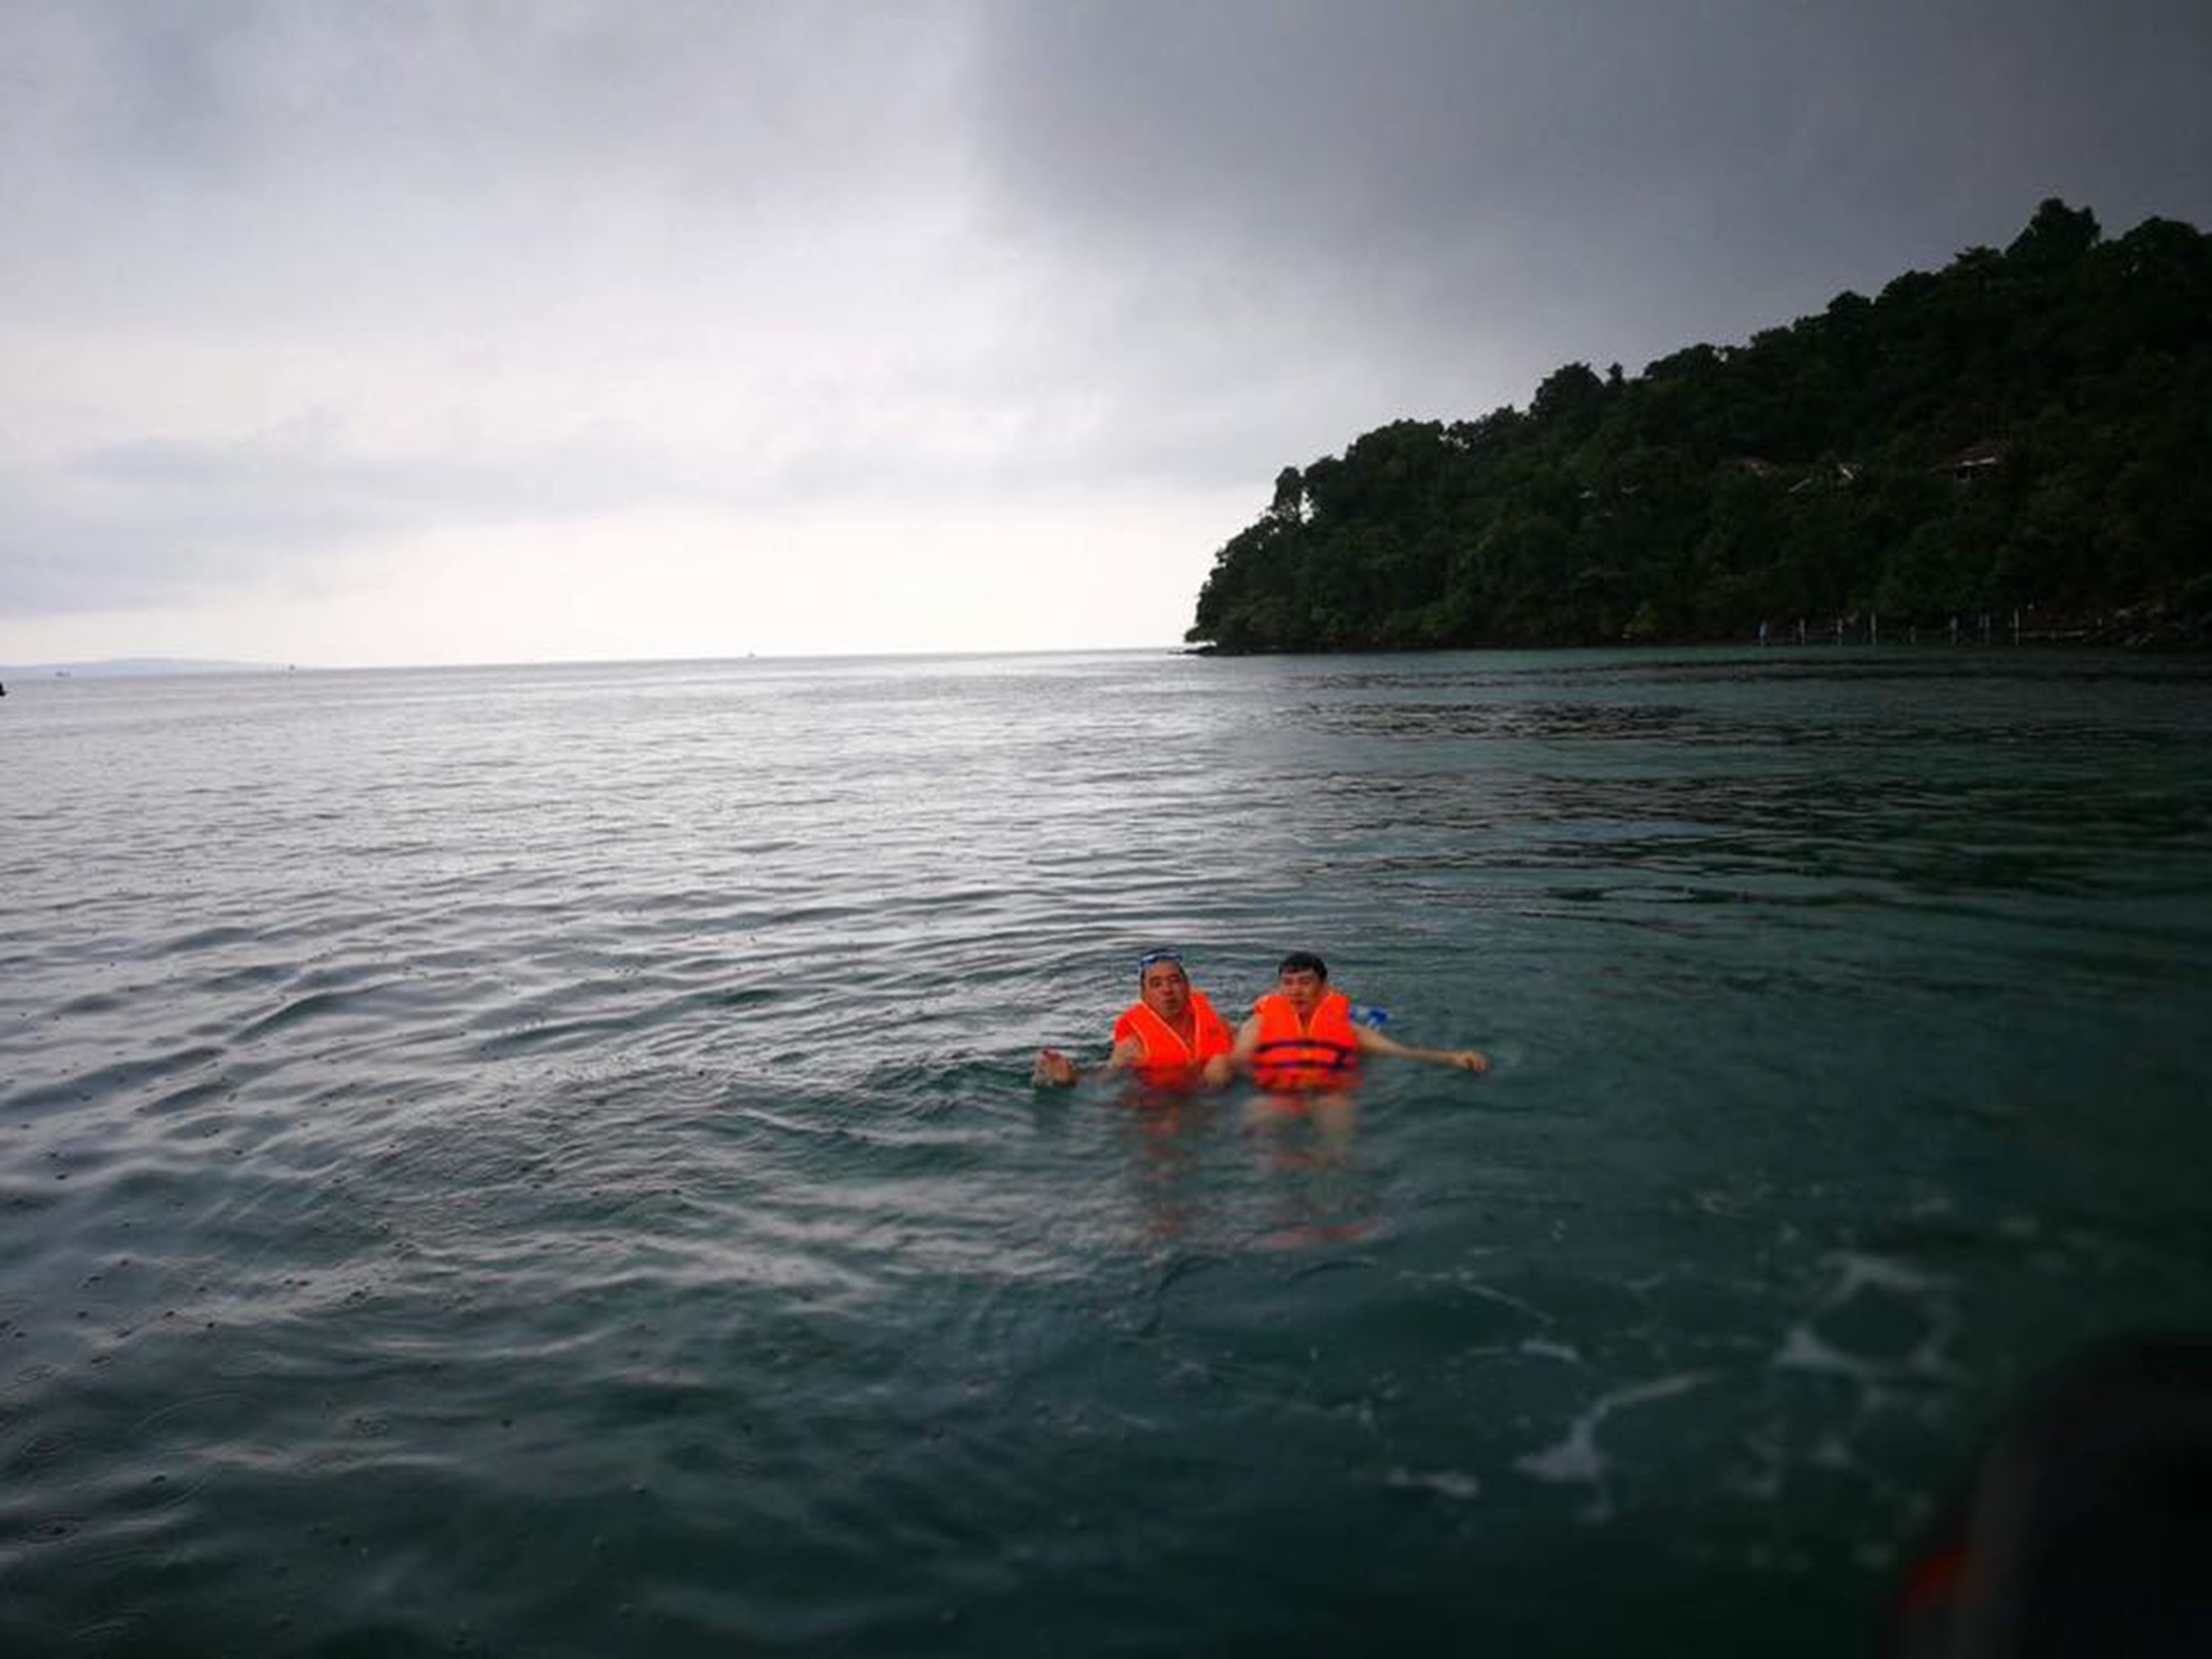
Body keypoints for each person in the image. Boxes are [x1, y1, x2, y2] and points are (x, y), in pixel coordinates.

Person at [1227, 951, 1487, 1090]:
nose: (1296, 991)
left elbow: (1400, 1051)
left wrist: (1451, 1058)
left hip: (1331, 1092)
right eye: (1288, 983)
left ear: (1324, 988)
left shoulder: (1348, 1029)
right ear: (1279, 988)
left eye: (1305, 982)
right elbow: (1238, 1060)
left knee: (1337, 1131)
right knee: (1264, 1125)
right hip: (1276, 1092)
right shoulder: (1259, 1023)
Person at [1033, 949, 1236, 1088]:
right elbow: (1105, 1076)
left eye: (1174, 981)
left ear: (1188, 986)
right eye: (1156, 984)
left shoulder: (1217, 1023)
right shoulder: (1133, 1046)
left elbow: (1245, 1043)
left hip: (1214, 1099)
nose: (1167, 990)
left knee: (1221, 1067)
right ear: (1144, 996)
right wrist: (1070, 1078)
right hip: (1162, 1102)